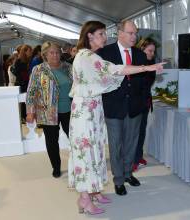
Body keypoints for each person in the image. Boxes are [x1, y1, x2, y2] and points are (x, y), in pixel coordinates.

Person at [68, 20, 164, 215]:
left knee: (96, 151)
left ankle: (93, 193)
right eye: (101, 33)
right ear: (90, 36)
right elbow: (116, 70)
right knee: (86, 154)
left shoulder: (89, 55)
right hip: (86, 112)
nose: (105, 37)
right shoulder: (86, 56)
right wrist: (146, 68)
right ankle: (84, 199)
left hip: (92, 109)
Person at [97, 19, 149, 196]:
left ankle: (128, 173)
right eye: (131, 33)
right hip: (113, 106)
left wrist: (142, 102)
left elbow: (145, 82)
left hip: (135, 107)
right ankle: (118, 179)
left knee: (131, 143)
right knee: (115, 144)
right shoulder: (104, 53)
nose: (134, 36)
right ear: (120, 33)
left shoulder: (141, 55)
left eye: (136, 33)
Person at [26, 41, 73, 178]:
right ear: (45, 54)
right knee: (52, 141)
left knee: (75, 138)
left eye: (58, 52)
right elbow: (31, 91)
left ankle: (78, 164)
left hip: (70, 110)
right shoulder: (38, 70)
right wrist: (30, 111)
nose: (55, 55)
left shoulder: (68, 67)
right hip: (48, 112)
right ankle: (56, 167)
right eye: (51, 52)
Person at [133, 37, 157, 171]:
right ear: (142, 49)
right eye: (150, 51)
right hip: (135, 103)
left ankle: (138, 156)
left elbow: (148, 84)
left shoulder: (151, 63)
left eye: (153, 51)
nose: (152, 54)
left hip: (145, 102)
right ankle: (133, 159)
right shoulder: (135, 64)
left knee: (141, 131)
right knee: (133, 132)